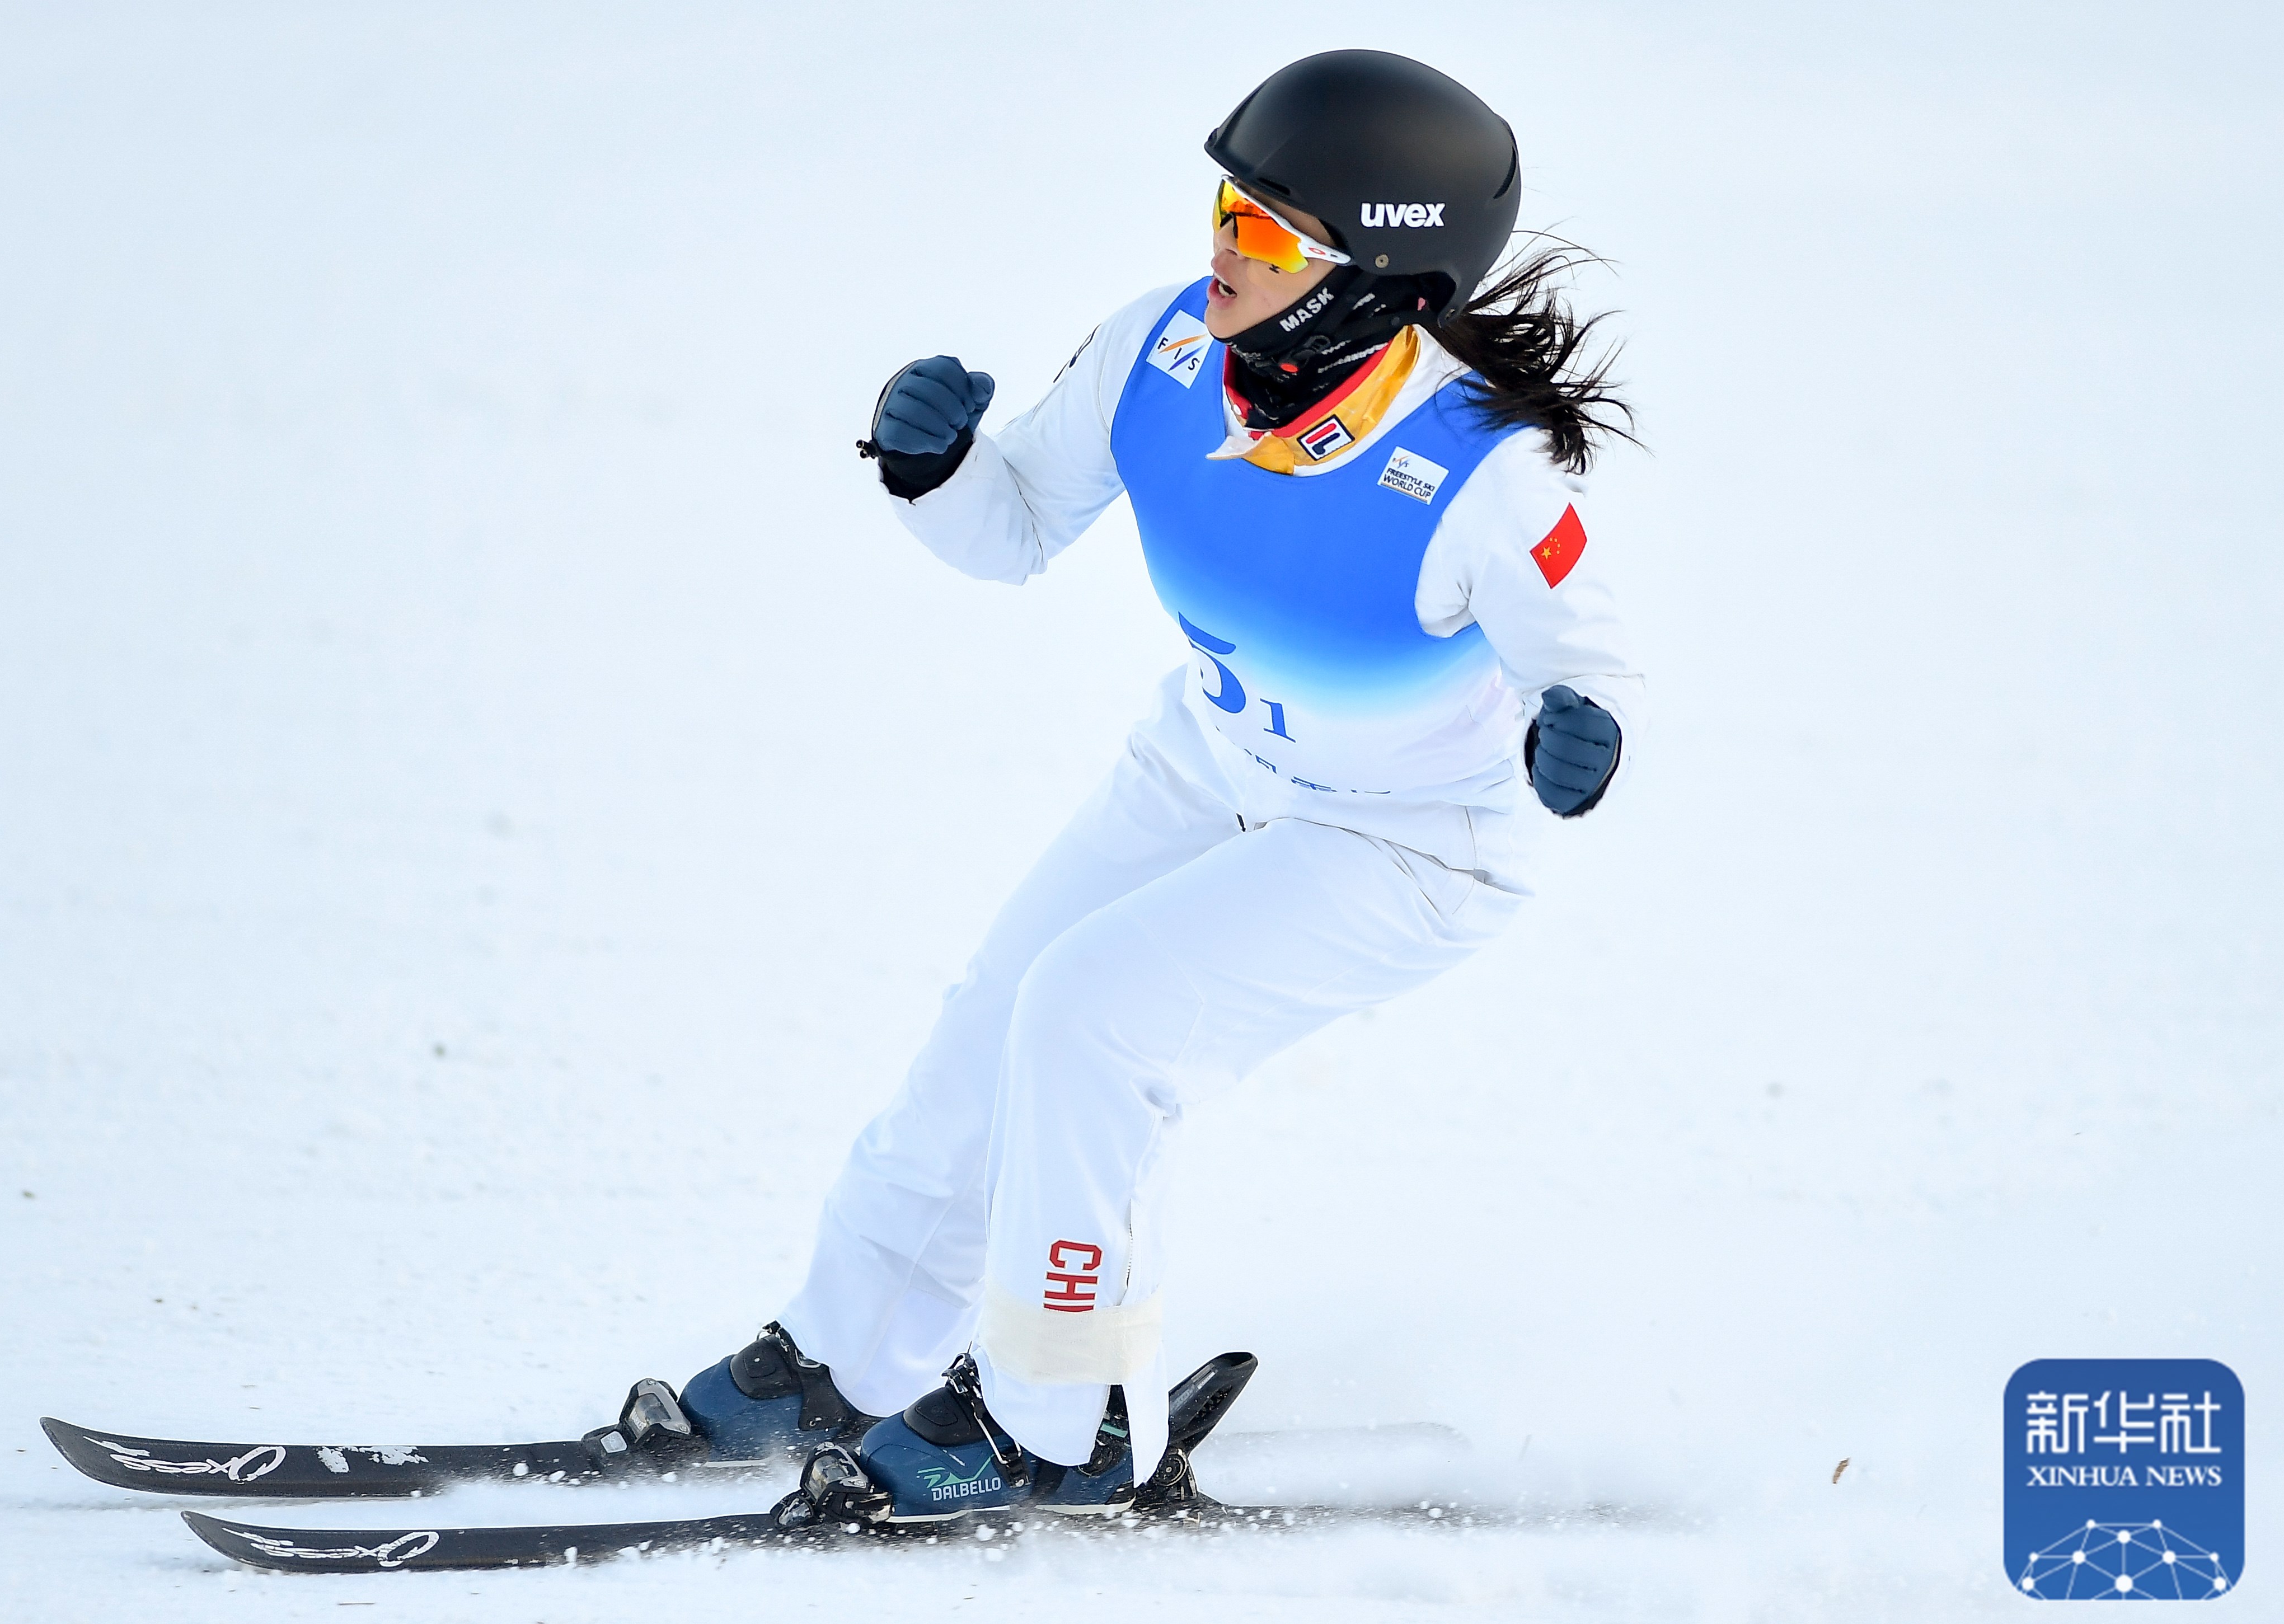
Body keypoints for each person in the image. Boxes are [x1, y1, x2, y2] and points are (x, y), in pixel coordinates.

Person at [650, 48, 1643, 1523]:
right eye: (1220, 214)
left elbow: (1589, 669)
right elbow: (1014, 528)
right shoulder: (1162, 353)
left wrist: (1578, 740)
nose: (1217, 256)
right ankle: (844, 1359)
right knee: (995, 1019)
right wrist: (934, 469)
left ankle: (1060, 1421)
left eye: (1262, 236)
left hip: (1411, 844)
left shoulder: (1478, 473)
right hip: (1214, 759)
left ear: (1383, 285)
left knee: (1092, 1022)